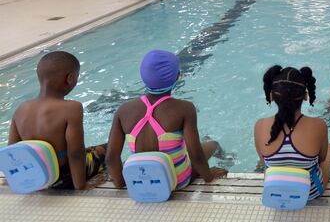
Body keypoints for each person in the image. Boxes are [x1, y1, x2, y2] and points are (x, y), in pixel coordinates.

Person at [106, 50, 227, 190]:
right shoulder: (185, 108)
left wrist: (122, 184)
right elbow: (196, 155)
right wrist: (209, 177)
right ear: (177, 77)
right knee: (213, 144)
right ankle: (226, 158)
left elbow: (111, 158)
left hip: (141, 180)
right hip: (176, 182)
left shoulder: (124, 110)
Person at [254, 66, 330, 201]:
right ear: (306, 96)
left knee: (266, 158)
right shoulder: (318, 125)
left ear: (271, 96)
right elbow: (322, 158)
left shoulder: (260, 125)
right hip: (309, 192)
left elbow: (263, 161)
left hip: (274, 190)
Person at [8, 51, 106, 190]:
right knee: (108, 150)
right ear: (70, 78)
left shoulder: (21, 109)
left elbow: (13, 151)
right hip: (62, 178)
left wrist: (20, 181)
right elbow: (75, 153)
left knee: (92, 149)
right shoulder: (72, 108)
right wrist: (81, 186)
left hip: (37, 176)